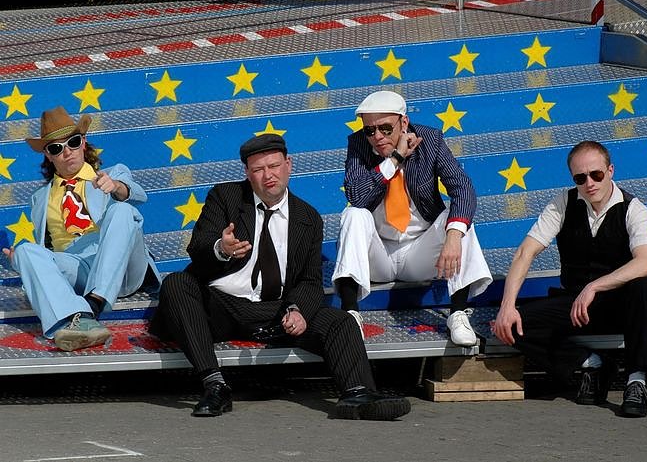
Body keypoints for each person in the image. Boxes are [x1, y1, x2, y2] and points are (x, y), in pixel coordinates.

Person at [148, 133, 411, 420]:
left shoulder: (308, 218)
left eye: (273, 166)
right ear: (247, 173)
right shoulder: (225, 197)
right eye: (258, 170)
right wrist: (221, 248)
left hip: (275, 311)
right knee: (177, 284)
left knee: (341, 322)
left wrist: (297, 310)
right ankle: (215, 386)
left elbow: (309, 281)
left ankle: (358, 395)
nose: (268, 176)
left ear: (288, 165)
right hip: (222, 307)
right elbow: (198, 248)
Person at [494, 140, 647, 418]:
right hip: (576, 306)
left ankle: (636, 381)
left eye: (596, 174)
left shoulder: (633, 208)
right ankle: (593, 363)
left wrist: (595, 286)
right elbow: (525, 252)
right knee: (510, 325)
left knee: (644, 288)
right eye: (580, 178)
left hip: (620, 306)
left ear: (610, 171)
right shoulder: (562, 203)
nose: (589, 183)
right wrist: (507, 305)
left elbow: (646, 262)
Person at [332, 91, 492, 345]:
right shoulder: (359, 144)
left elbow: (463, 188)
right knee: (353, 214)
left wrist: (453, 237)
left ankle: (458, 314)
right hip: (378, 255)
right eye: (369, 130)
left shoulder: (430, 140)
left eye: (385, 128)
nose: (377, 136)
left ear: (404, 122)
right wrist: (394, 159)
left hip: (420, 252)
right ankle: (350, 315)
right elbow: (357, 196)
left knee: (458, 222)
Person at [3, 106, 160, 351]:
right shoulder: (39, 198)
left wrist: (117, 187)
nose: (67, 152)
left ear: (83, 143)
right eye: (56, 148)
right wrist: (22, 262)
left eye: (73, 142)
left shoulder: (112, 174)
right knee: (25, 251)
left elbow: (139, 196)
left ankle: (93, 304)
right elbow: (47, 253)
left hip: (123, 267)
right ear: (48, 155)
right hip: (78, 269)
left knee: (123, 210)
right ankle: (77, 321)